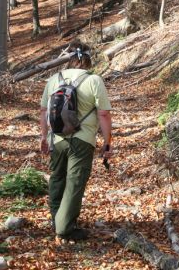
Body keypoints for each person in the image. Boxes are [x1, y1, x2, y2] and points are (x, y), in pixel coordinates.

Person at [39, 43, 113, 241]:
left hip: (56, 138)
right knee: (75, 182)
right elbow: (104, 114)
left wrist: (44, 137)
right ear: (89, 60)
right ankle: (64, 228)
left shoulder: (54, 79)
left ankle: (58, 219)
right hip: (82, 139)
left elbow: (44, 111)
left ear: (69, 59)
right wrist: (107, 142)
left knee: (57, 178)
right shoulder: (94, 80)